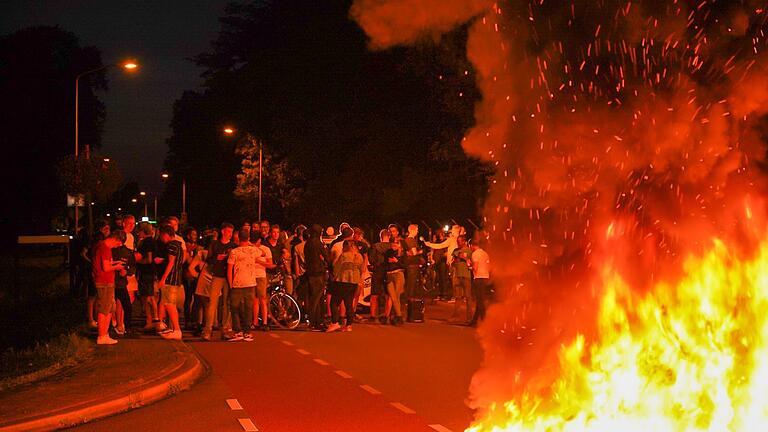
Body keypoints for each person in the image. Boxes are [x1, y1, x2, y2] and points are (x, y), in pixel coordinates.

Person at [227, 228, 267, 342]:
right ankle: (247, 332)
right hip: (250, 283)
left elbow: (230, 269)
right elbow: (263, 253)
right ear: (248, 238)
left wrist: (230, 284)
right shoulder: (253, 251)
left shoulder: (234, 252)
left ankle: (238, 331)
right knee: (248, 308)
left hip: (237, 283)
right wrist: (251, 245)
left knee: (235, 308)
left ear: (238, 238)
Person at [201, 223, 236, 341]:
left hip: (229, 277)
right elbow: (209, 259)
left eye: (231, 232)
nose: (230, 235)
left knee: (227, 303)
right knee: (212, 303)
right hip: (217, 275)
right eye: (228, 232)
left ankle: (225, 329)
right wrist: (217, 258)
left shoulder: (233, 246)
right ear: (222, 232)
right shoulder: (215, 244)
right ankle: (208, 329)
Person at [92, 231, 126, 344]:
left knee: (110, 307)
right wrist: (117, 267)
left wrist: (115, 263)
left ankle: (105, 334)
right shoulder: (105, 248)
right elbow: (106, 268)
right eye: (118, 244)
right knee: (104, 308)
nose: (117, 246)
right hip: (104, 281)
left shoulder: (103, 247)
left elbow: (105, 264)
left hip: (107, 281)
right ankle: (102, 336)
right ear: (115, 239)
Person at [327, 240, 364, 332]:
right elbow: (361, 269)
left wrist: (333, 277)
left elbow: (337, 268)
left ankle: (334, 322)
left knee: (334, 302)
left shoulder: (344, 255)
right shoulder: (359, 256)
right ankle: (349, 325)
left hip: (342, 281)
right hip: (354, 282)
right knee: (349, 303)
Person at [156, 225, 184, 340]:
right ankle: (174, 329)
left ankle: (177, 329)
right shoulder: (179, 245)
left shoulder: (171, 246)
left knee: (169, 304)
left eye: (161, 235)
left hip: (170, 279)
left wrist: (163, 279)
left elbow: (171, 263)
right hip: (176, 278)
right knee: (169, 303)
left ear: (166, 234)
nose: (161, 238)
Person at [305, 224, 330, 330]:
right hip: (318, 273)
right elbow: (327, 257)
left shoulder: (307, 244)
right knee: (317, 298)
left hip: (310, 272)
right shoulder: (318, 243)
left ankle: (318, 321)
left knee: (315, 297)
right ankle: (313, 321)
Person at [135, 222, 159, 332]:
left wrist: (138, 262)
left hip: (147, 272)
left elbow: (149, 259)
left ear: (143, 231)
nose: (138, 233)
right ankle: (151, 321)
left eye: (139, 231)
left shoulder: (147, 242)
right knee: (148, 296)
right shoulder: (154, 241)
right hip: (151, 272)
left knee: (149, 297)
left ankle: (154, 320)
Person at [112, 230, 136, 335]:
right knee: (109, 306)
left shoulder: (128, 252)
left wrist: (126, 271)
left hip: (121, 283)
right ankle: (110, 327)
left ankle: (127, 327)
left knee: (127, 306)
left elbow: (133, 266)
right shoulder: (110, 250)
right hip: (110, 282)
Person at [250, 236, 273, 331]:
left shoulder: (265, 249)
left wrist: (258, 261)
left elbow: (270, 264)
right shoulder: (250, 249)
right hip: (251, 276)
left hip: (261, 276)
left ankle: (264, 322)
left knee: (263, 299)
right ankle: (254, 322)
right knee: (254, 300)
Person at [368, 229, 392, 323]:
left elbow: (371, 260)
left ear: (380, 237)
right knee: (388, 295)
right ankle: (386, 315)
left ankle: (373, 316)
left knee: (374, 295)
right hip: (388, 271)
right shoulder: (392, 246)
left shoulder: (375, 246)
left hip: (378, 270)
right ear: (389, 236)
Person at [182, 228, 203, 330]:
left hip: (197, 275)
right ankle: (187, 320)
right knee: (188, 298)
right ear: (188, 236)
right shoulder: (185, 246)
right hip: (188, 275)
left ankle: (194, 320)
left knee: (197, 298)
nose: (194, 236)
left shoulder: (198, 248)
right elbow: (188, 262)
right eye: (192, 234)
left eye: (195, 234)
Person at [451, 234, 474, 323]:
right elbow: (454, 260)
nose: (458, 243)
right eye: (457, 241)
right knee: (458, 297)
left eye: (459, 241)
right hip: (458, 276)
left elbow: (470, 261)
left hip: (466, 276)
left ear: (464, 241)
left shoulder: (469, 251)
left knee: (468, 297)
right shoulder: (456, 251)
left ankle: (469, 318)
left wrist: (464, 258)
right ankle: (455, 317)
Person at [469, 233, 491, 326]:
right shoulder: (485, 253)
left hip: (478, 277)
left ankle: (485, 320)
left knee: (480, 300)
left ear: (472, 246)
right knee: (480, 299)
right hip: (486, 277)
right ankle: (474, 321)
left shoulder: (475, 254)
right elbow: (489, 266)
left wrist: (469, 265)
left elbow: (475, 267)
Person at [384, 236, 405, 325]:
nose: (394, 245)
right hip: (389, 274)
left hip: (398, 274)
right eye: (393, 243)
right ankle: (397, 316)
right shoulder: (389, 252)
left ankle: (398, 316)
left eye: (396, 243)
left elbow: (405, 265)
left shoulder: (402, 254)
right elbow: (386, 261)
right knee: (392, 296)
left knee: (396, 296)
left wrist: (397, 261)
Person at [403, 224, 423, 300]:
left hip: (408, 264)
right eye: (416, 230)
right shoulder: (411, 240)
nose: (417, 232)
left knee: (409, 282)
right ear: (412, 230)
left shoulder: (405, 240)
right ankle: (410, 300)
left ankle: (407, 299)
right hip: (413, 264)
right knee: (412, 283)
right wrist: (420, 252)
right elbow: (414, 253)